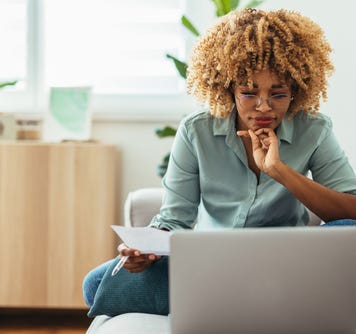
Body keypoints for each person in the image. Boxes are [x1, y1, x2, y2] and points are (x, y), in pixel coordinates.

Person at [83, 8, 356, 306]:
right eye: (249, 93)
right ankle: (261, 301)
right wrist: (146, 250)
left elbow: (350, 212)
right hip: (211, 264)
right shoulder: (196, 131)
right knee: (96, 284)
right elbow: (175, 219)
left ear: (296, 91)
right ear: (228, 89)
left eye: (278, 94)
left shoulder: (313, 130)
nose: (264, 107)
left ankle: (234, 301)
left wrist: (280, 171)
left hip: (287, 264)